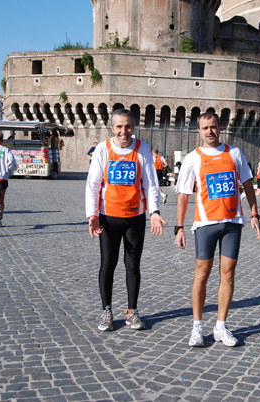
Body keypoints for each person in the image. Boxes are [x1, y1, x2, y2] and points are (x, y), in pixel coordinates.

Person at [175, 112, 260, 348]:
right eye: (205, 128)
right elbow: (183, 195)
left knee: (228, 273)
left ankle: (221, 326)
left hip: (233, 223)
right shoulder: (193, 158)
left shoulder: (234, 153)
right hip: (205, 224)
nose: (209, 132)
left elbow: (247, 184)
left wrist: (254, 213)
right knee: (201, 274)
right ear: (199, 131)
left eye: (213, 127)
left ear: (220, 127)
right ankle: (197, 326)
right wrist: (179, 227)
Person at [85, 109, 167, 333]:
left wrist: (154, 212)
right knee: (107, 264)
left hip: (134, 218)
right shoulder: (103, 149)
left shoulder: (142, 148)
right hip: (108, 218)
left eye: (128, 126)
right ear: (113, 128)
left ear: (133, 127)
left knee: (132, 266)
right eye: (119, 126)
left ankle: (132, 311)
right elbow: (93, 184)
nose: (124, 131)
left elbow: (150, 183)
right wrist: (92, 215)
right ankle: (106, 310)